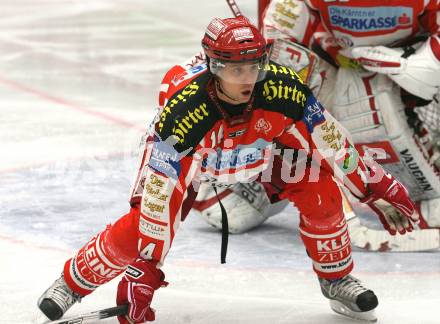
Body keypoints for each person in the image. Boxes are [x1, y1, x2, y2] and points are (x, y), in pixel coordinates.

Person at [37, 16, 419, 323]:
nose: (248, 79)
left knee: (319, 187)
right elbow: (158, 202)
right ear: (213, 67)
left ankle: (336, 279)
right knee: (141, 228)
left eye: (255, 66)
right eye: (236, 70)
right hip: (199, 166)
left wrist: (377, 184)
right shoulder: (183, 116)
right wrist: (145, 271)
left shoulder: (284, 91)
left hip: (262, 157)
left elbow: (332, 144)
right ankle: (72, 282)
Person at [194, 1, 440, 249]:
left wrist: (412, 64)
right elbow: (276, 58)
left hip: (409, 82)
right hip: (339, 73)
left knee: (370, 95)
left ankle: (425, 198)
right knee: (285, 66)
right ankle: (274, 173)